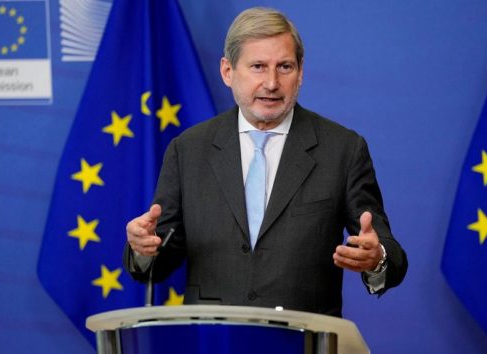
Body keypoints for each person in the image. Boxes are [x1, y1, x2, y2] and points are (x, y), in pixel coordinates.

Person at [124, 7, 407, 317]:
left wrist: (376, 258)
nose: (272, 82)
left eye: (284, 66)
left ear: (301, 72)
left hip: (305, 340)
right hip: (214, 338)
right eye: (258, 66)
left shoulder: (342, 149)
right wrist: (143, 249)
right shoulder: (188, 150)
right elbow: (158, 261)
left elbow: (389, 253)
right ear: (227, 71)